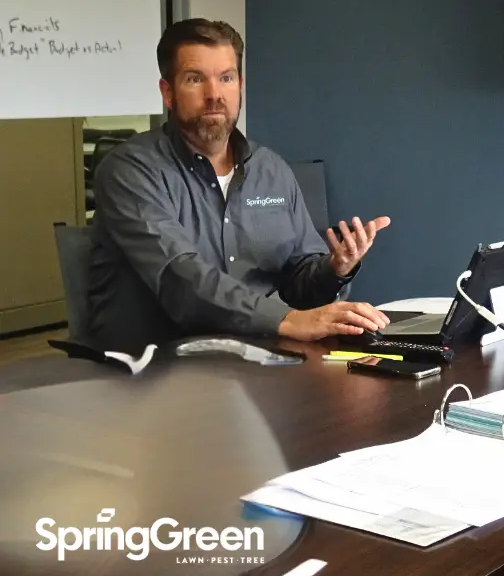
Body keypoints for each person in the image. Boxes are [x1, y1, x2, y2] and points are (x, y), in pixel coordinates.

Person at [87, 19, 391, 354]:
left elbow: (298, 281)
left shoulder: (271, 169)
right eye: (194, 79)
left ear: (240, 85)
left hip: (262, 356)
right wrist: (286, 320)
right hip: (159, 367)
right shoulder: (130, 171)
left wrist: (334, 269)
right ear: (167, 92)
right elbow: (180, 279)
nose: (214, 94)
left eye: (226, 78)